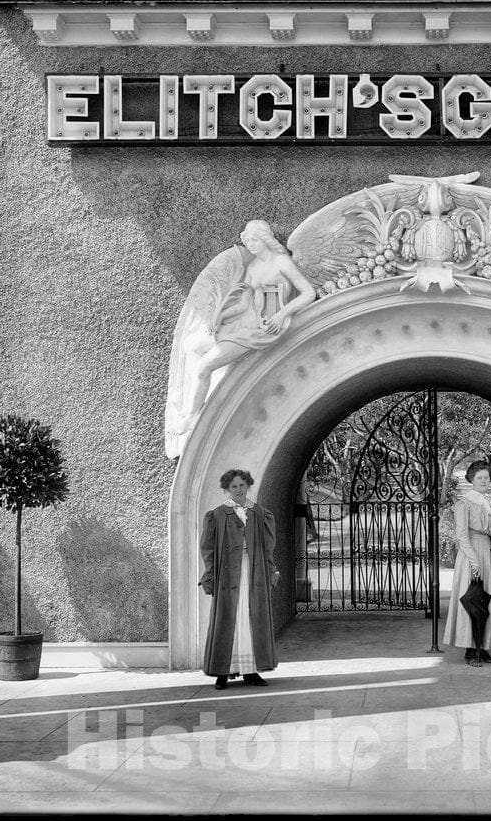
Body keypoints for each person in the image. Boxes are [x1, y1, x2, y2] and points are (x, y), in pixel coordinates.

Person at [179, 220, 317, 431]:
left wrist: (281, 315)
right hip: (246, 321)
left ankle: (193, 416)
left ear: (265, 238)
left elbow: (308, 293)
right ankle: (203, 401)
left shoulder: (282, 262)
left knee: (202, 367)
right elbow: (244, 303)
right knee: (191, 345)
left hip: (263, 327)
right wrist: (220, 316)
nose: (250, 244)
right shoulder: (252, 267)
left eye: (254, 239)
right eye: (247, 240)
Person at [199, 468, 281, 689]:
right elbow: (207, 549)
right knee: (228, 620)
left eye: (242, 486)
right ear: (227, 489)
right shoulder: (217, 515)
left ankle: (251, 671)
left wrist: (271, 569)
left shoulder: (260, 514)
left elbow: (268, 546)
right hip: (227, 575)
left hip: (254, 573)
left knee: (251, 617)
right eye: (233, 486)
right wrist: (209, 575)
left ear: (248, 486)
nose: (238, 490)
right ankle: (222, 673)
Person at [444, 460, 491, 666]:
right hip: (471, 554)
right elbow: (461, 536)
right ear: (471, 479)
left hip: (487, 551)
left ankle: (483, 647)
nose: (484, 481)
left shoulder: (490, 502)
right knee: (473, 600)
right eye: (480, 478)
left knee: (488, 598)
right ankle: (471, 650)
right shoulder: (464, 503)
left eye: (486, 477)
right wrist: (474, 560)